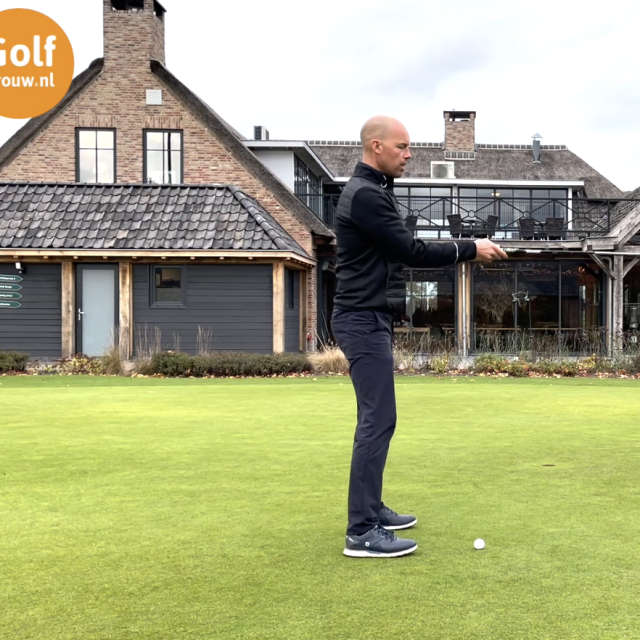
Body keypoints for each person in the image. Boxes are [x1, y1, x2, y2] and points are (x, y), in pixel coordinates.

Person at [332, 115, 507, 558]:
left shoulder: (375, 191)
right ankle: (361, 531)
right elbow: (411, 250)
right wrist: (470, 248)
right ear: (376, 146)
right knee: (377, 420)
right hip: (361, 319)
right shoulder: (366, 195)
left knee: (378, 418)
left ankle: (372, 509)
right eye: (402, 147)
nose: (409, 155)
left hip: (369, 318)